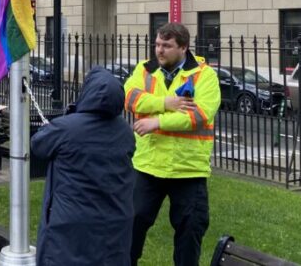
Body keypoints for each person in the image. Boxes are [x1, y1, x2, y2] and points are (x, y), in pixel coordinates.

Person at [124, 22, 221, 266]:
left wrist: (156, 122)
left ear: (183, 48)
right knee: (131, 227)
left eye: (166, 46)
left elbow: (198, 115)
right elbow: (129, 98)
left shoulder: (204, 75)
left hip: (188, 169)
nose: (159, 50)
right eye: (157, 44)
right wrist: (166, 103)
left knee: (190, 233)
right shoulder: (144, 70)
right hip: (148, 166)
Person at [32, 66, 135, 266]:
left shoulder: (66, 127)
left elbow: (39, 145)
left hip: (71, 223)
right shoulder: (124, 130)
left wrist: (65, 119)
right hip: (115, 220)